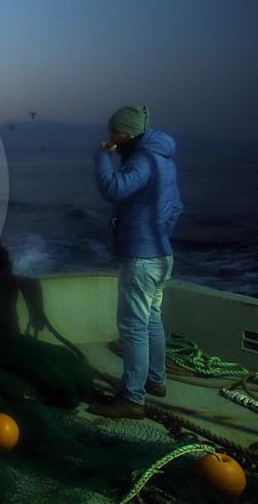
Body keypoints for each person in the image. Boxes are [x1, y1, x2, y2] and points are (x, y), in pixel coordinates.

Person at [88, 105, 183, 419]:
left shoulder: (142, 159)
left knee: (133, 328)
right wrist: (156, 233)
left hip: (142, 259)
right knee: (152, 319)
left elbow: (112, 188)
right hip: (162, 255)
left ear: (126, 132)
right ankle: (156, 381)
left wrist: (102, 156)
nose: (110, 136)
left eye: (113, 131)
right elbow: (177, 208)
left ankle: (132, 399)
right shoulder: (164, 161)